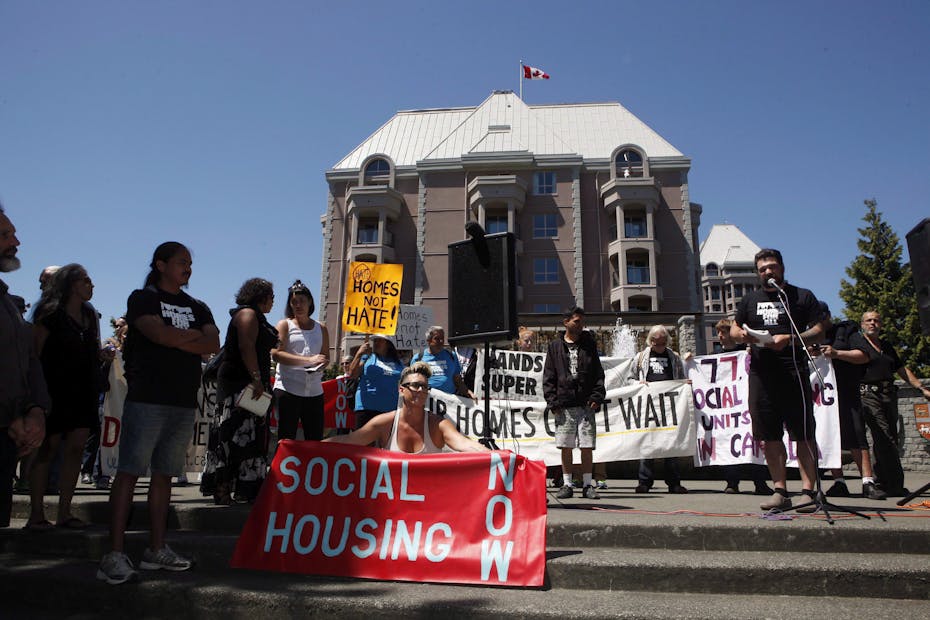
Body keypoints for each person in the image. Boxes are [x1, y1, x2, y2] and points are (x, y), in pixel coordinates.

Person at [97, 242, 219, 585]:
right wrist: (186, 337)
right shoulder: (143, 298)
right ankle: (114, 553)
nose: (189, 268)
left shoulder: (198, 305)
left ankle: (156, 549)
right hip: (147, 399)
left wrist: (175, 338)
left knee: (165, 475)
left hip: (182, 402)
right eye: (182, 262)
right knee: (129, 472)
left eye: (191, 263)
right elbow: (157, 334)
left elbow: (213, 343)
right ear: (161, 264)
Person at [732, 248, 827, 512]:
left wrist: (792, 340)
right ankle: (780, 490)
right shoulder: (749, 300)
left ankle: (808, 491)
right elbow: (734, 328)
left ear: (782, 268)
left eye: (772, 267)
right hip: (762, 376)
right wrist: (743, 336)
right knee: (769, 436)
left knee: (803, 434)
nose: (767, 272)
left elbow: (820, 329)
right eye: (762, 269)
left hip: (793, 372)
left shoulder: (800, 296)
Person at [27, 264, 110, 530]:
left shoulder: (89, 314)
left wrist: (103, 356)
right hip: (53, 389)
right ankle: (37, 513)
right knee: (47, 448)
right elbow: (34, 354)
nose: (91, 286)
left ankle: (65, 511)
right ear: (72, 284)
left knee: (75, 449)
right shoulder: (48, 313)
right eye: (86, 281)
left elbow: (92, 348)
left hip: (83, 389)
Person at [201, 278, 277, 505]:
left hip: (252, 385)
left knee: (251, 438)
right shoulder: (247, 314)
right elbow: (246, 346)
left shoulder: (257, 318)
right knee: (233, 437)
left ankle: (245, 488)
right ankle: (223, 489)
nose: (273, 302)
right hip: (240, 386)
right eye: (271, 297)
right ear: (261, 297)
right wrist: (256, 380)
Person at [0, 205, 49, 528]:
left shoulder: (8, 302)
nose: (15, 240)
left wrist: (35, 411)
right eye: (5, 235)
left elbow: (28, 361)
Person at [325, 362, 489, 454]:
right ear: (401, 390)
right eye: (416, 385)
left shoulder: (438, 424)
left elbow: (465, 444)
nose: (421, 390)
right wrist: (308, 448)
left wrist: (496, 456)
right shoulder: (385, 423)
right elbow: (349, 440)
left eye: (425, 387)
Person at [811, 306, 886, 500]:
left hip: (846, 392)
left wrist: (836, 353)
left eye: (820, 319)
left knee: (857, 435)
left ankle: (868, 482)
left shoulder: (846, 330)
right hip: (823, 396)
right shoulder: (810, 334)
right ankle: (839, 482)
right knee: (830, 437)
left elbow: (864, 356)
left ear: (828, 316)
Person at [858, 310, 930, 497]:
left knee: (890, 437)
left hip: (889, 394)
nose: (873, 323)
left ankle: (883, 481)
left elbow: (901, 369)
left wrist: (921, 388)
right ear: (862, 324)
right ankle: (894, 484)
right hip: (869, 394)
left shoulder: (887, 347)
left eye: (876, 320)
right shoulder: (859, 345)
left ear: (881, 324)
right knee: (883, 437)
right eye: (869, 320)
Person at [543, 306, 605, 500]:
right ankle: (567, 484)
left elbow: (598, 374)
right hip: (564, 405)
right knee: (565, 446)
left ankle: (587, 485)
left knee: (587, 446)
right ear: (566, 322)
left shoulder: (589, 344)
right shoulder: (555, 347)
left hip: (586, 405)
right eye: (577, 321)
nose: (581, 325)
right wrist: (552, 401)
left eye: (582, 321)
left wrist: (596, 397)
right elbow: (549, 376)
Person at [715, 319, 773, 496]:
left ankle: (760, 481)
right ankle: (732, 482)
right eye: (718, 333)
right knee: (729, 442)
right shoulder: (713, 356)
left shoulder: (746, 353)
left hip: (748, 406)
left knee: (754, 442)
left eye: (723, 332)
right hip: (728, 411)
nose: (720, 336)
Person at [632, 324, 689, 495]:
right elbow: (630, 378)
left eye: (663, 343)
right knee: (647, 444)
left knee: (671, 444)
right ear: (650, 341)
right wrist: (638, 383)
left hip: (670, 406)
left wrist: (684, 384)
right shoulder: (641, 357)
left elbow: (681, 378)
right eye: (656, 343)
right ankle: (644, 482)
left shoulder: (674, 357)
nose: (660, 346)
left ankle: (674, 483)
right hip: (648, 406)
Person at [271, 280, 329, 442]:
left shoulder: (321, 328)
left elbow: (326, 356)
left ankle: (309, 468)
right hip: (288, 389)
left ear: (310, 302)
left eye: (302, 301)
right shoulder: (284, 325)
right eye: (294, 302)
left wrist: (322, 363)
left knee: (315, 439)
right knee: (286, 439)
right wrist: (309, 360)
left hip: (314, 392)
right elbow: (276, 354)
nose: (298, 305)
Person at [348, 335, 404, 430]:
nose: (376, 343)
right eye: (375, 341)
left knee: (387, 444)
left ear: (388, 344)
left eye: (379, 341)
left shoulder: (398, 363)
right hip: (366, 408)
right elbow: (352, 374)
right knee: (364, 443)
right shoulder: (367, 358)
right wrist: (359, 354)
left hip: (389, 410)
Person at [411, 326, 473, 397]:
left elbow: (457, 380)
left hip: (448, 402)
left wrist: (468, 392)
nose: (440, 341)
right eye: (437, 339)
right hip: (427, 401)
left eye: (442, 338)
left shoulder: (451, 355)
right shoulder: (418, 359)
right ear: (429, 341)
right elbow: (413, 383)